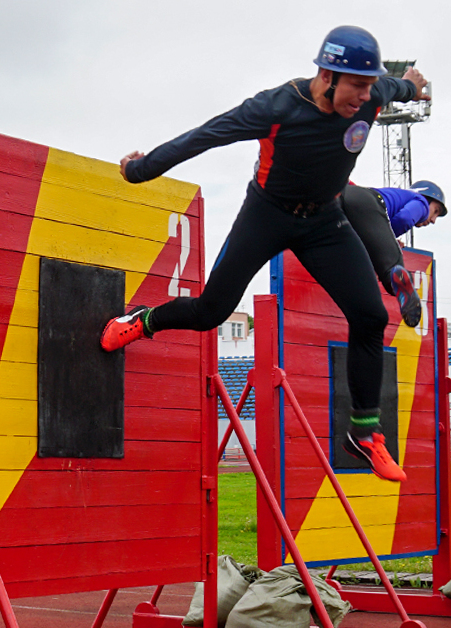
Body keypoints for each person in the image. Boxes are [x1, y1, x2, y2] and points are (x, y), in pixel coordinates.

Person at [99, 26, 431, 482]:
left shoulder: (371, 97)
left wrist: (411, 84)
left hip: (325, 221)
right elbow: (204, 136)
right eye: (357, 86)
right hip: (267, 214)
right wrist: (139, 169)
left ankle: (365, 434)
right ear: (327, 75)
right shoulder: (276, 107)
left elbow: (400, 85)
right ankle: (142, 320)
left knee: (371, 316)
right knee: (210, 311)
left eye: (371, 86)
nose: (365, 97)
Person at [341, 180, 448, 328]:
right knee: (392, 266)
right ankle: (393, 279)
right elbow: (404, 219)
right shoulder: (421, 201)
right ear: (427, 198)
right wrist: (388, 242)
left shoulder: (395, 196)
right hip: (369, 204)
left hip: (344, 200)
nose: (434, 220)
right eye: (436, 211)